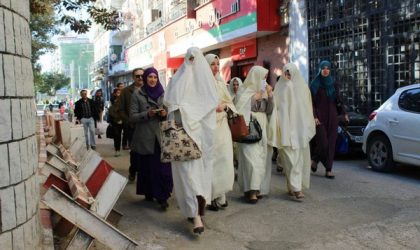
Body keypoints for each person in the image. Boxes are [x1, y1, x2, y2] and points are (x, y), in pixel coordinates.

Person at [164, 47, 219, 234]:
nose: (192, 62)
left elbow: (209, 113)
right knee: (185, 177)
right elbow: (170, 102)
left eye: (195, 59)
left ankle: (196, 213)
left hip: (198, 141)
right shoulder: (178, 80)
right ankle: (195, 212)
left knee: (194, 176)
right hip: (180, 139)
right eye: (189, 58)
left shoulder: (207, 87)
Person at [129, 67, 173, 210]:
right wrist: (147, 114)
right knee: (148, 168)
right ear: (145, 79)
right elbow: (132, 116)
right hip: (146, 137)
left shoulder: (163, 94)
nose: (152, 79)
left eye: (155, 77)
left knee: (163, 168)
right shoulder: (137, 94)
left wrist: (165, 113)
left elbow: (170, 112)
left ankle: (163, 196)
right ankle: (149, 192)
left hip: (161, 136)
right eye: (150, 77)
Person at [271, 63, 316, 200]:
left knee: (297, 160)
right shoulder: (279, 88)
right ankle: (293, 187)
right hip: (284, 129)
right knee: (288, 160)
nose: (288, 76)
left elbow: (307, 108)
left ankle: (295, 188)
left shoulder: (303, 89)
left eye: (290, 73)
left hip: (298, 129)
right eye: (286, 73)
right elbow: (275, 107)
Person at [235, 66, 274, 204]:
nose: (264, 80)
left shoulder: (265, 91)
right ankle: (251, 190)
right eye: (262, 77)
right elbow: (238, 107)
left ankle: (257, 188)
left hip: (262, 126)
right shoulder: (243, 91)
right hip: (248, 126)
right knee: (250, 159)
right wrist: (254, 97)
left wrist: (269, 96)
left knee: (261, 158)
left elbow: (269, 110)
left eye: (265, 77)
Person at [204, 54, 238, 211]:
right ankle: (210, 197)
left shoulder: (220, 82)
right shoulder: (201, 83)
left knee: (224, 159)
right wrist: (214, 108)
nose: (216, 67)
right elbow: (197, 105)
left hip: (222, 125)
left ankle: (221, 195)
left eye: (218, 64)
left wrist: (225, 106)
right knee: (211, 161)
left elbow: (229, 102)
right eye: (212, 64)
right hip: (208, 127)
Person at [309, 60, 349, 179]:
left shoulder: (333, 83)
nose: (326, 70)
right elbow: (311, 103)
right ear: (320, 69)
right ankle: (316, 159)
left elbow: (338, 100)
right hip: (320, 117)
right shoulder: (314, 84)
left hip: (332, 117)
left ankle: (328, 169)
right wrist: (314, 116)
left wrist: (344, 113)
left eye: (328, 68)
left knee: (331, 143)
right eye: (323, 68)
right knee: (323, 143)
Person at [120, 68, 144, 181]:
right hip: (132, 127)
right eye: (137, 76)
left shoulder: (148, 89)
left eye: (142, 76)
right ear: (133, 78)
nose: (140, 78)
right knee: (135, 151)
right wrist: (128, 121)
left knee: (147, 151)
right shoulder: (126, 91)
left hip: (147, 126)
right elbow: (121, 109)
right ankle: (133, 171)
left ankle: (145, 173)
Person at [108, 88, 124, 157]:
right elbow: (112, 110)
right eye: (118, 92)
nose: (119, 93)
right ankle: (117, 150)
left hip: (122, 119)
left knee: (120, 135)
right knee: (116, 135)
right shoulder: (113, 99)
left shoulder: (123, 99)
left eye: (120, 92)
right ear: (114, 93)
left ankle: (120, 147)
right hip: (114, 120)